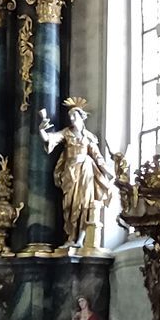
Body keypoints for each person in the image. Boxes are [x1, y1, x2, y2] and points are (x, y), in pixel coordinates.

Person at [40, 97, 121, 256]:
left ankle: (80, 239)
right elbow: (50, 138)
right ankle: (71, 237)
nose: (71, 118)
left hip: (86, 171)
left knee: (84, 204)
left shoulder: (89, 137)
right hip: (70, 172)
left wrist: (108, 172)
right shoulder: (66, 133)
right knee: (69, 205)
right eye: (70, 116)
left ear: (81, 116)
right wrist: (41, 129)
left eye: (74, 115)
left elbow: (97, 157)